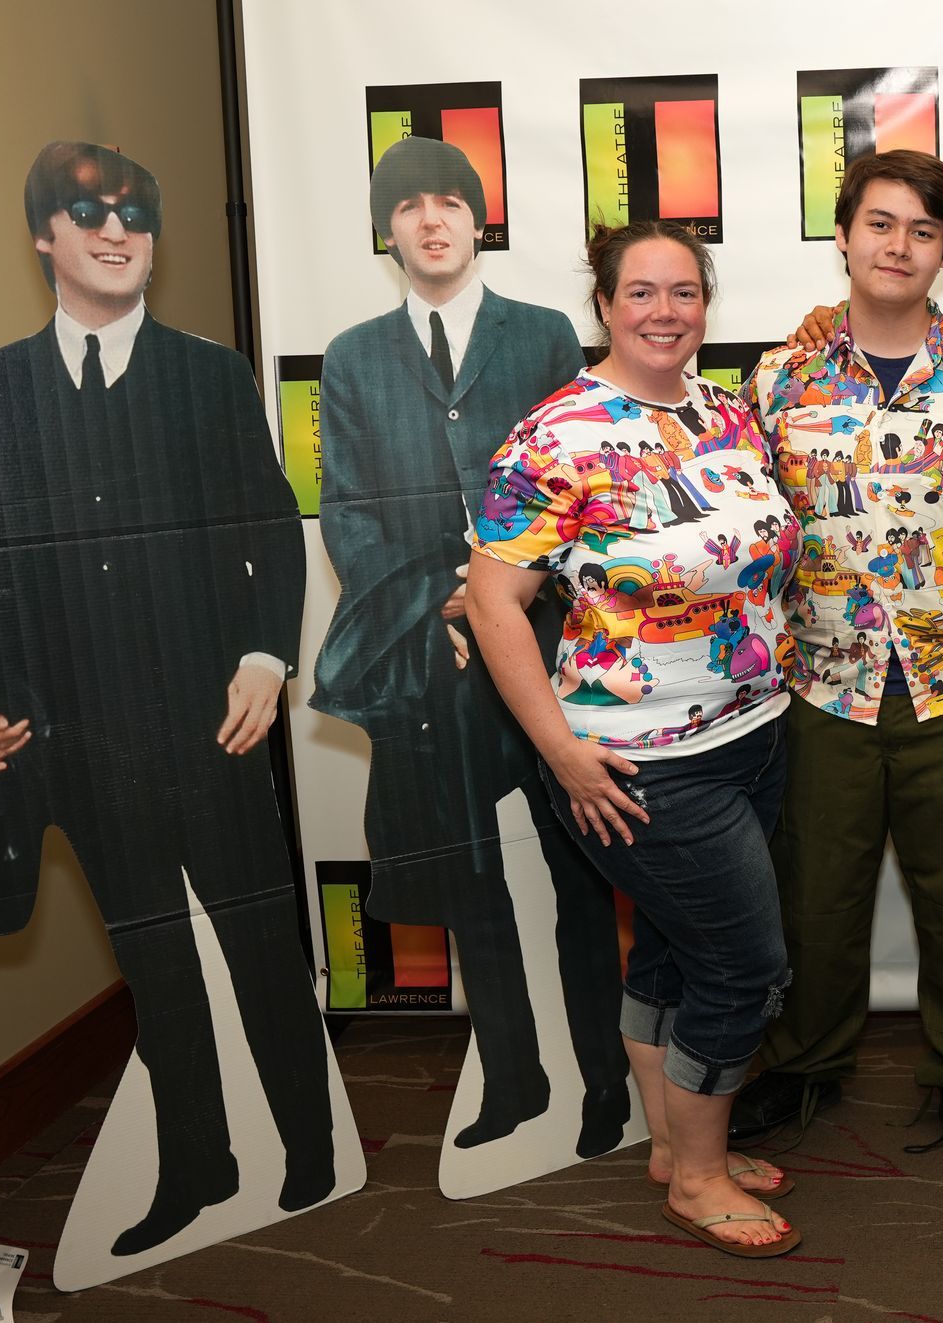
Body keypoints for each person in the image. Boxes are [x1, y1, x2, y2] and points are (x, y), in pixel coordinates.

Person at [0, 142, 334, 1255]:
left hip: (212, 730)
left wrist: (268, 660)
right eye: (89, 213)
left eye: (136, 215)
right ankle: (199, 1168)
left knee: (263, 951)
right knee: (158, 969)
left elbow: (271, 528)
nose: (118, 232)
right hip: (78, 744)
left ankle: (310, 1149)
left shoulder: (210, 376)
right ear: (45, 235)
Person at [466, 219, 803, 1257]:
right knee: (744, 967)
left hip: (753, 731)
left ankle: (671, 1142)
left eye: (686, 292)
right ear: (605, 305)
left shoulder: (721, 407)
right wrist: (563, 751)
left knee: (672, 948)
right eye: (643, 293)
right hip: (636, 760)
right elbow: (492, 601)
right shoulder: (556, 436)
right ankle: (699, 1178)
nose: (667, 312)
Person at [729, 150, 943, 1176]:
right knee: (813, 889)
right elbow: (748, 519)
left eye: (919, 229)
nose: (896, 245)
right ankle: (805, 1062)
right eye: (879, 223)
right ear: (845, 235)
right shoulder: (779, 377)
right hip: (819, 679)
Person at [312, 135, 629, 1159]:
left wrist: (498, 591)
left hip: (545, 647)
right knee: (473, 880)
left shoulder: (541, 337)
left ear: (477, 219)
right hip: (430, 657)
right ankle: (518, 1080)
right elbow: (347, 512)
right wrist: (432, 605)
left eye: (450, 200)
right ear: (387, 228)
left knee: (581, 880)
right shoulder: (355, 356)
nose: (431, 219)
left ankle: (605, 1088)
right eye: (410, 206)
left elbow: (587, 483)